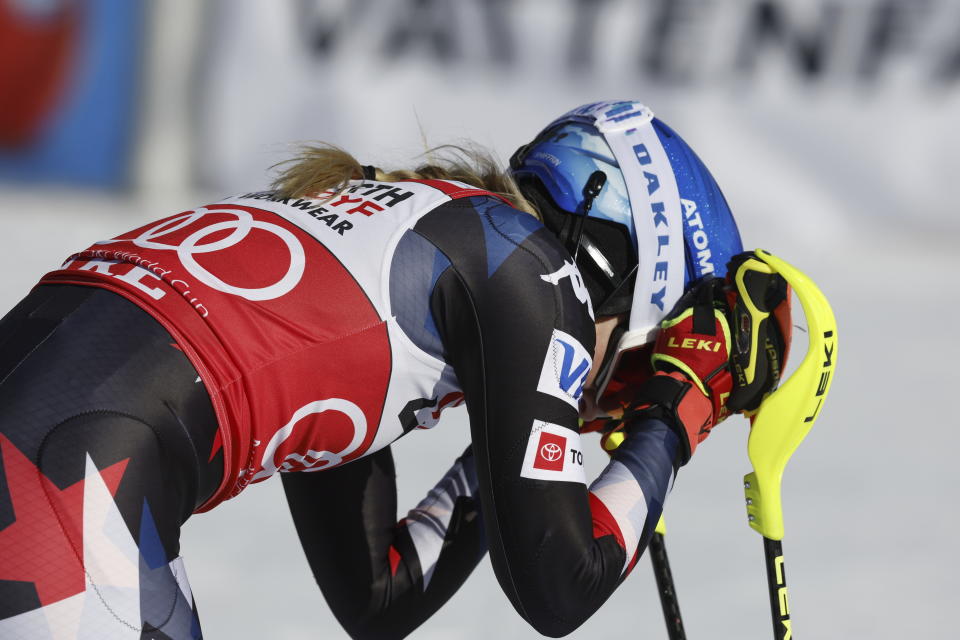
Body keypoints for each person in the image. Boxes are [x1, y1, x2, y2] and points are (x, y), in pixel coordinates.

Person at [0, 100, 788, 639]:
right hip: (68, 482)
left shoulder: (397, 236)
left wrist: (513, 447)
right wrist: (678, 410)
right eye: (644, 354)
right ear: (621, 267)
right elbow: (559, 585)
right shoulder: (534, 271)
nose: (613, 392)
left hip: (54, 444)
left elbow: (377, 596)